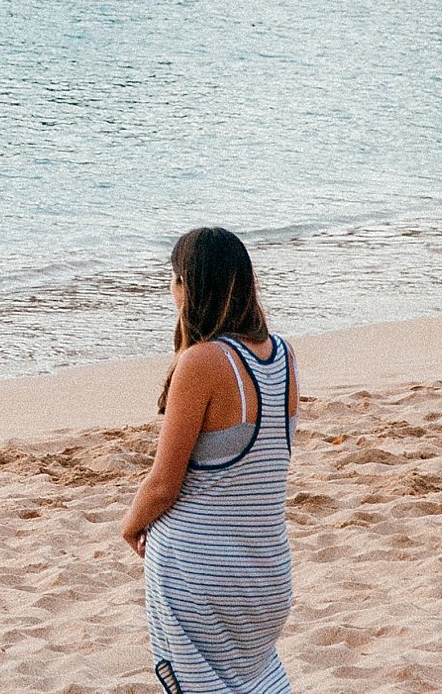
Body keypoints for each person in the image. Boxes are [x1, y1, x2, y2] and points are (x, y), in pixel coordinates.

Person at [120, 228, 297, 694]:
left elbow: (163, 483)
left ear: (187, 285)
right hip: (268, 571)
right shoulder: (282, 355)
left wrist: (130, 524)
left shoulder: (200, 362)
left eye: (173, 280)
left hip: (202, 574)